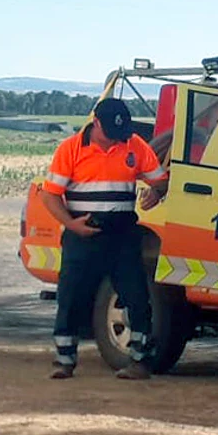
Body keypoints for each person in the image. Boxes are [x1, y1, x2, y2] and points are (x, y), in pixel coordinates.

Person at [40, 98, 169, 380]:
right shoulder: (70, 149)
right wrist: (72, 225)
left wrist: (157, 193)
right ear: (96, 122)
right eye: (110, 132)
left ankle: (139, 360)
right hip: (82, 234)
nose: (116, 140)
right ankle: (64, 359)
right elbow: (50, 195)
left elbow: (160, 179)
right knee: (71, 296)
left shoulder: (134, 144)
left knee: (136, 296)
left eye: (120, 134)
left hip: (122, 234)